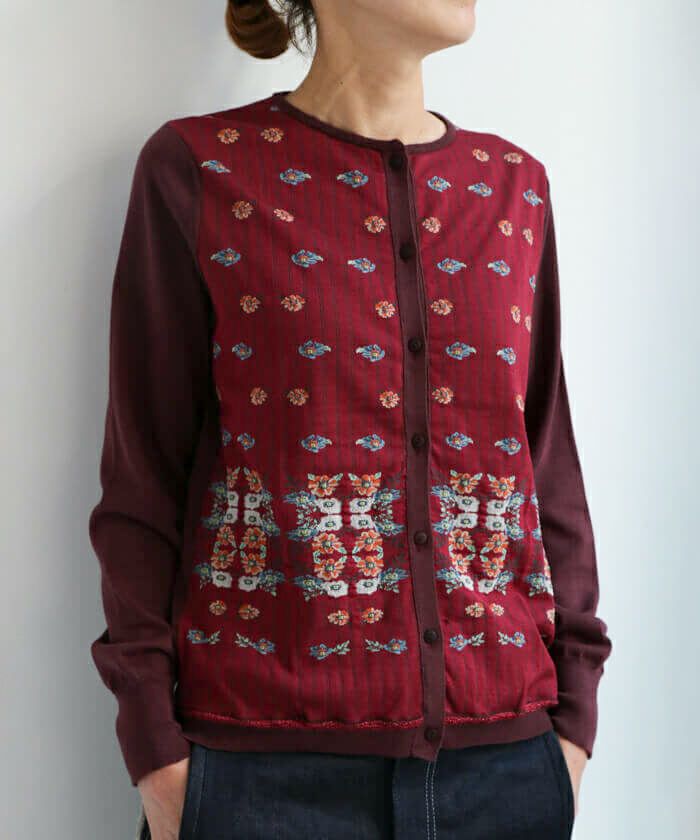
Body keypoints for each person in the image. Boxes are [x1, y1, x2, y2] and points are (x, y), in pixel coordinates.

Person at [88, 1, 613, 838]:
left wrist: (574, 716)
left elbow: (547, 459)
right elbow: (142, 478)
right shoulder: (202, 169)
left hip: (505, 766)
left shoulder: (514, 187)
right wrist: (156, 750)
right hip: (260, 774)